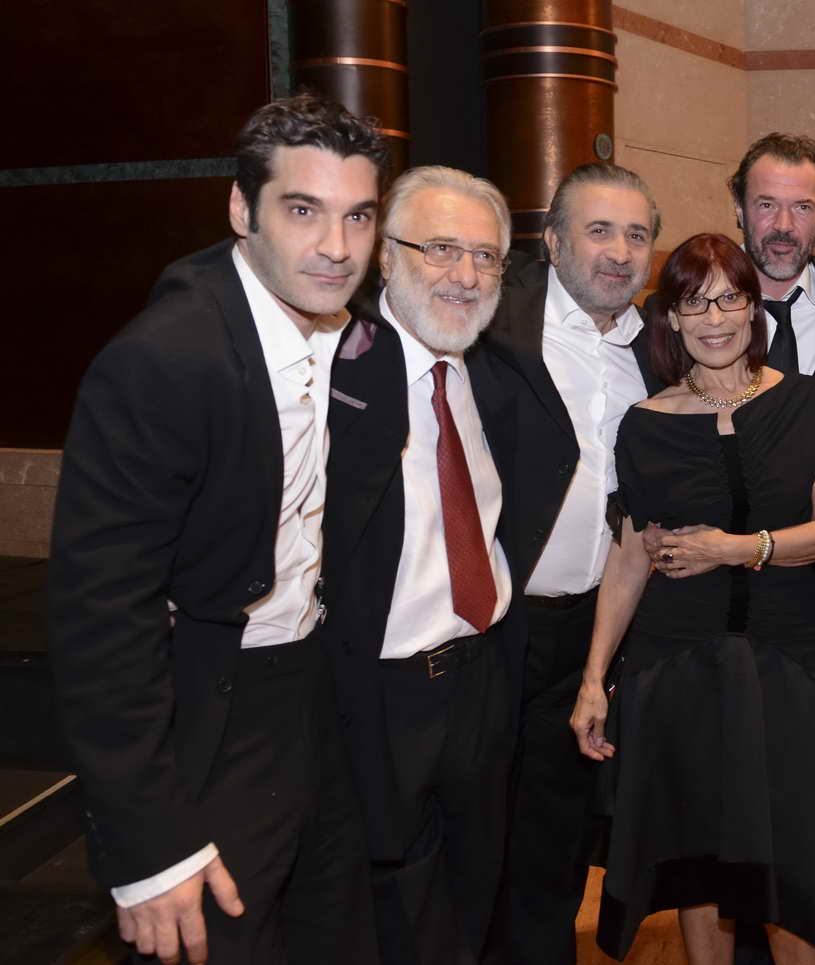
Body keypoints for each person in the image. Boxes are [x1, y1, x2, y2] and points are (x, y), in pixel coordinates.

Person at [47, 94, 388, 965]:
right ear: (242, 209)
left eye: (358, 216)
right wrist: (148, 847)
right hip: (209, 708)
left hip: (312, 694)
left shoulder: (343, 332)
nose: (337, 246)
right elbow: (99, 618)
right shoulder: (166, 359)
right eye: (303, 210)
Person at [569, 233, 815, 963]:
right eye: (694, 303)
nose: (713, 318)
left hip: (788, 666)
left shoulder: (806, 402)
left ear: (753, 308)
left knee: (795, 873)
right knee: (698, 871)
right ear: (671, 318)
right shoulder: (645, 423)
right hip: (676, 670)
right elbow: (629, 557)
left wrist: (734, 548)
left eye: (729, 299)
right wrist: (594, 678)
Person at [319, 166, 525, 964]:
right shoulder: (333, 377)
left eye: (485, 256)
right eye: (440, 248)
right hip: (383, 692)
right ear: (385, 255)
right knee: (394, 909)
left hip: (484, 678)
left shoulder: (492, 377)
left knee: (478, 888)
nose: (465, 275)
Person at [485, 161, 662, 965]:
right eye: (599, 230)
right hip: (489, 624)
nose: (619, 252)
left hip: (589, 634)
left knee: (553, 833)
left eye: (636, 234)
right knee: (473, 823)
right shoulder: (492, 320)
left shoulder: (658, 349)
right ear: (552, 243)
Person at [725, 132, 815, 394]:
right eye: (767, 205)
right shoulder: (687, 304)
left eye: (802, 207)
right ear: (739, 208)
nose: (784, 225)